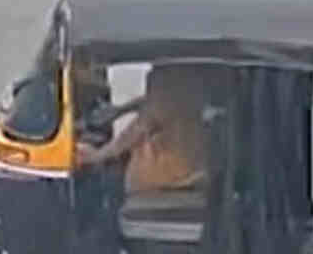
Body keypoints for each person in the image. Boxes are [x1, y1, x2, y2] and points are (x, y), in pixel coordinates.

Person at [74, 63, 221, 196]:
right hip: (198, 166)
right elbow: (159, 103)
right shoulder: (193, 71)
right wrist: (121, 110)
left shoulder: (169, 75)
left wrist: (98, 155)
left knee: (106, 187)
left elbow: (142, 126)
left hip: (168, 175)